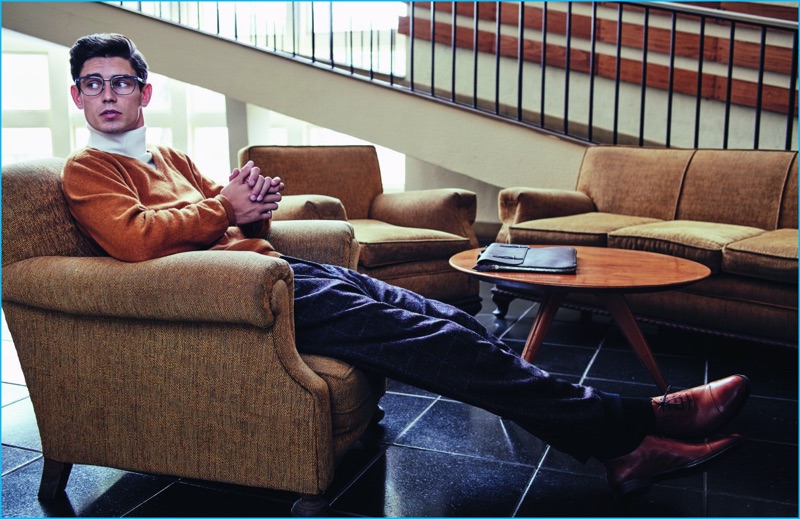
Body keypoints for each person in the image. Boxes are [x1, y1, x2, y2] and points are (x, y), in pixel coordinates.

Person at [61, 33, 751, 497]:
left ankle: (622, 440)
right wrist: (225, 210)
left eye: (122, 82)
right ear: (78, 97)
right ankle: (631, 426)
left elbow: (222, 222)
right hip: (238, 292)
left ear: (145, 92)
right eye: (93, 84)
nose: (109, 94)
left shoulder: (169, 157)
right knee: (444, 339)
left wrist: (251, 209)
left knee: (454, 318)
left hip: (274, 271)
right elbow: (137, 240)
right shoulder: (88, 168)